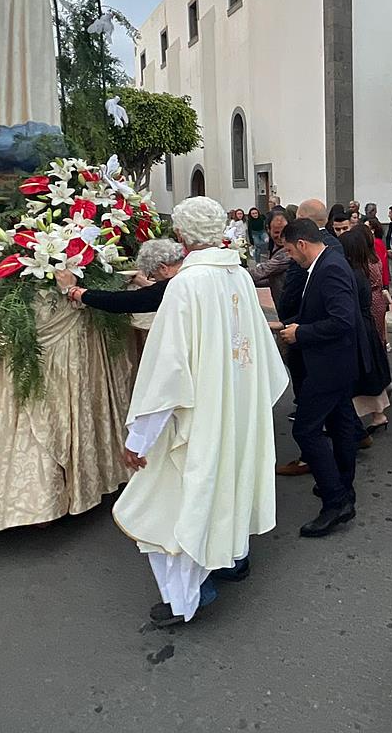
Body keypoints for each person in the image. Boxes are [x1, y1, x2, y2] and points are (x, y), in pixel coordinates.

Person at [112, 197, 288, 626]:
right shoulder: (239, 276)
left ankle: (186, 599)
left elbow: (166, 373)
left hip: (202, 415)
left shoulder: (185, 286)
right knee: (232, 483)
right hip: (238, 409)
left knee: (175, 501)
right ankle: (234, 558)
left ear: (180, 236)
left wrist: (139, 439)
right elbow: (259, 352)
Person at [275, 217, 365, 537]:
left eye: (289, 250)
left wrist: (301, 333)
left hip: (330, 365)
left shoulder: (330, 268)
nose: (290, 257)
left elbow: (342, 321)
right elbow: (320, 311)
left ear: (302, 244)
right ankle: (343, 489)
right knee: (341, 426)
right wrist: (289, 325)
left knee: (305, 430)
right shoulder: (325, 263)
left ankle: (335, 500)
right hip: (334, 364)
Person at [339, 228, 392, 433]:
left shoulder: (353, 273)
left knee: (361, 376)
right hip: (367, 323)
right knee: (370, 373)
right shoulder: (363, 268)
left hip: (360, 326)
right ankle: (378, 415)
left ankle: (362, 419)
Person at [57, 238, 185, 315]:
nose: (154, 280)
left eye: (152, 275)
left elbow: (121, 302)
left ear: (163, 268)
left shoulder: (175, 285)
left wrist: (74, 291)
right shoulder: (188, 270)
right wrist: (145, 284)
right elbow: (158, 291)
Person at [248, 208, 292, 307]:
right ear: (268, 229)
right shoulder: (273, 247)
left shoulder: (288, 251)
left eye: (284, 232)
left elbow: (263, 271)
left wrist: (236, 273)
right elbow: (271, 276)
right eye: (276, 232)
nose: (280, 237)